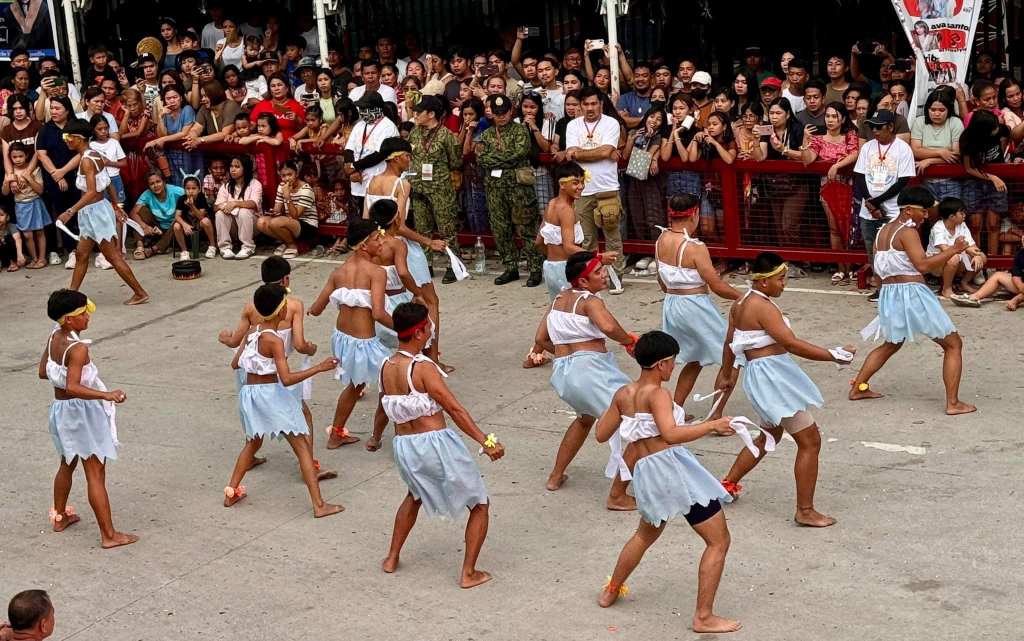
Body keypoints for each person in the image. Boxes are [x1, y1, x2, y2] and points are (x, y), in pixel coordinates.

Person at [594, 331, 739, 633]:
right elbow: (671, 434)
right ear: (661, 364)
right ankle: (703, 616)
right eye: (672, 362)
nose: (674, 368)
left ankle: (611, 590)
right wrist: (712, 424)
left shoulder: (623, 393)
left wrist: (633, 423)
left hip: (646, 472)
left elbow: (601, 433)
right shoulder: (659, 394)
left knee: (644, 535)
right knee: (718, 541)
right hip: (674, 470)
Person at [716, 252, 854, 526]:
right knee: (810, 440)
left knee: (768, 435)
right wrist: (834, 355)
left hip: (764, 376)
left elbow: (730, 340)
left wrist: (726, 371)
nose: (784, 285)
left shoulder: (740, 302)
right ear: (764, 282)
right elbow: (791, 343)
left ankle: (728, 484)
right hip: (773, 379)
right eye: (781, 279)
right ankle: (805, 510)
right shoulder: (762, 307)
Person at [374, 302, 504, 587]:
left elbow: (382, 408)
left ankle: (392, 557)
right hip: (435, 445)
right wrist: (486, 441)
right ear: (419, 332)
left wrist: (375, 437)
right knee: (480, 504)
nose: (432, 329)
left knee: (414, 495)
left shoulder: (386, 365)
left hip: (404, 445)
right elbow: (455, 410)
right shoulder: (423, 368)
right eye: (429, 326)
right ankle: (468, 573)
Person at [850, 187, 975, 415]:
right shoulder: (907, 232)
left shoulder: (882, 231)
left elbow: (881, 271)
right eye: (923, 211)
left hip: (890, 293)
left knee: (891, 343)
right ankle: (953, 404)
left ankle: (859, 387)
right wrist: (954, 250)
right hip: (913, 292)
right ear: (908, 210)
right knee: (953, 344)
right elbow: (923, 266)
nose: (926, 216)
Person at [224, 284, 344, 518]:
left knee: (253, 442)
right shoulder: (274, 340)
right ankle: (319, 505)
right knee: (302, 447)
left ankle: (232, 492)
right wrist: (319, 367)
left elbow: (235, 364)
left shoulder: (251, 333)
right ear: (280, 312)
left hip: (250, 394)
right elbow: (287, 379)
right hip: (271, 395)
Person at [529, 251, 637, 508]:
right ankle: (617, 495)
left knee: (584, 418)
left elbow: (541, 340)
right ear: (583, 281)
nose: (604, 275)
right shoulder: (590, 301)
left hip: (564, 373)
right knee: (638, 420)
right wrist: (630, 341)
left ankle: (555, 477)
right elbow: (609, 327)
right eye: (598, 272)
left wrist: (568, 356)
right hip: (591, 371)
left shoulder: (557, 300)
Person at [217, 257, 335, 478]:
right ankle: (308, 466)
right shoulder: (294, 306)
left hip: (250, 371)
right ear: (286, 279)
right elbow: (299, 344)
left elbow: (235, 341)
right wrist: (312, 350)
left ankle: (249, 458)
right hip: (276, 372)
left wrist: (225, 338)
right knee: (302, 416)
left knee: (254, 414)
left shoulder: (252, 306)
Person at [39, 289, 138, 548]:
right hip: (81, 412)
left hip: (61, 411)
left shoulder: (53, 337)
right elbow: (73, 385)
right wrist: (106, 394)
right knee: (95, 472)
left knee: (67, 462)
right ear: (69, 319)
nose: (88, 318)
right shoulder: (78, 349)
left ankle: (59, 516)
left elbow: (43, 372)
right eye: (83, 314)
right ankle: (109, 535)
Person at [365, 137, 451, 367]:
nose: (409, 160)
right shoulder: (401, 184)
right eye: (407, 156)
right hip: (401, 245)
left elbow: (366, 219)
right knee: (430, 301)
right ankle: (431, 358)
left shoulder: (372, 181)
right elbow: (400, 224)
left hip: (377, 245)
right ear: (396, 158)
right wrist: (428, 242)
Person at [308, 219, 394, 449]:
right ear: (364, 245)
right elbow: (378, 313)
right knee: (390, 382)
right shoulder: (376, 273)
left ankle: (337, 432)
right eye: (377, 238)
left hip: (342, 338)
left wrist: (308, 310)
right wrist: (405, 327)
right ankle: (376, 435)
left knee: (356, 386)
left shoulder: (339, 272)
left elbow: (316, 309)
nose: (382, 241)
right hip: (363, 343)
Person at [656, 194, 741, 408]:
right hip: (694, 306)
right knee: (734, 355)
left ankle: (676, 409)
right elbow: (717, 286)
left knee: (694, 358)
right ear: (694, 214)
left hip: (672, 304)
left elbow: (661, 281)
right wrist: (745, 297)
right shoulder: (695, 247)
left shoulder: (661, 240)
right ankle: (716, 414)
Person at [57, 121, 148, 305]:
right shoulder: (94, 155)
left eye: (67, 137)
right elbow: (108, 182)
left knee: (112, 256)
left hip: (95, 213)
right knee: (82, 254)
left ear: (79, 138)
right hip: (92, 213)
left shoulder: (88, 160)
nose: (66, 141)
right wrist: (115, 205)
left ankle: (140, 292)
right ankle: (72, 295)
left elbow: (92, 192)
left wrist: (70, 211)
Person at [476, 93, 542, 286]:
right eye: (497, 113)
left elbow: (518, 153)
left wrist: (496, 158)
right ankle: (510, 266)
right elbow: (481, 158)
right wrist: (503, 158)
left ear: (510, 111)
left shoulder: (520, 130)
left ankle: (535, 268)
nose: (501, 116)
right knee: (501, 229)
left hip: (518, 189)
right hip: (495, 189)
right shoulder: (486, 135)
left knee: (526, 229)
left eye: (504, 112)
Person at [565, 86, 626, 289]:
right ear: (580, 106)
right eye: (586, 104)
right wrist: (600, 152)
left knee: (612, 236)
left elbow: (607, 150)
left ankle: (616, 277)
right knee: (586, 238)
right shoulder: (573, 125)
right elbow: (571, 153)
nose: (590, 108)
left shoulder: (611, 123)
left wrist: (582, 153)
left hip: (607, 187)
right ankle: (590, 277)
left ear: (601, 104)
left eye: (594, 103)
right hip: (581, 190)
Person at [853, 110, 916, 300]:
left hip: (893, 207)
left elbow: (903, 180)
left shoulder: (903, 148)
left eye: (879, 127)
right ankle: (880, 287)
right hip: (869, 208)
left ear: (890, 127)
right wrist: (870, 202)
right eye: (872, 127)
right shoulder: (868, 147)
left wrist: (876, 202)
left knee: (894, 250)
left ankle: (898, 287)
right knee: (873, 248)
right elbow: (859, 175)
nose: (875, 131)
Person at [802, 102, 860, 284]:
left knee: (849, 228)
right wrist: (805, 141)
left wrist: (837, 165)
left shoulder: (850, 136)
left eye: (834, 116)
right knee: (834, 229)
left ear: (842, 118)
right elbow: (807, 160)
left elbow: (855, 153)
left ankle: (850, 266)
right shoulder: (818, 139)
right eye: (827, 116)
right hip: (827, 188)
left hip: (848, 186)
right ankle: (840, 268)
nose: (830, 120)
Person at [408, 95, 462, 282]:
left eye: (419, 111)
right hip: (419, 188)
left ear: (431, 114)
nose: (415, 114)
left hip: (440, 189)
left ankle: (452, 266)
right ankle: (426, 265)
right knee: (422, 229)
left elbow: (455, 161)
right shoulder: (415, 133)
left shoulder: (447, 135)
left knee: (447, 229)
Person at [959, 110, 1009, 257]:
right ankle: (978, 265)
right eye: (993, 127)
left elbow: (1007, 135)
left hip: (997, 182)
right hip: (975, 182)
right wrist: (991, 177)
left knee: (993, 224)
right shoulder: (967, 140)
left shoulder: (999, 129)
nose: (996, 129)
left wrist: (1002, 162)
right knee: (975, 224)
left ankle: (992, 265)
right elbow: (969, 168)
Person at [344, 92, 399, 216]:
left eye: (365, 108)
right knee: (359, 219)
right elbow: (349, 149)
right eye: (361, 108)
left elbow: (380, 154)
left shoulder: (388, 127)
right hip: (357, 184)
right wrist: (352, 169)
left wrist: (354, 166)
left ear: (376, 108)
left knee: (377, 220)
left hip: (377, 183)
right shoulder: (359, 125)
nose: (362, 111)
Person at [256, 160, 318, 259]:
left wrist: (288, 197)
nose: (287, 178)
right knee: (261, 222)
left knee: (275, 223)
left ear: (296, 174)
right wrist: (272, 213)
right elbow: (277, 209)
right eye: (283, 176)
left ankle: (291, 245)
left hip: (307, 226)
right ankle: (287, 242)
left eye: (290, 174)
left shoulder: (306, 190)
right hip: (291, 222)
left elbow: (296, 215)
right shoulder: (282, 187)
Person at [927, 196, 987, 298]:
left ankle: (964, 283)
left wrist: (976, 255)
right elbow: (946, 250)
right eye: (961, 213)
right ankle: (946, 289)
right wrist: (968, 250)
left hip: (957, 259)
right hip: (936, 264)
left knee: (982, 256)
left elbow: (973, 245)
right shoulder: (938, 227)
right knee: (953, 258)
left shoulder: (962, 225)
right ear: (951, 217)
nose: (964, 215)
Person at [911, 90, 964, 203]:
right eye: (933, 110)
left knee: (952, 216)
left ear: (949, 110)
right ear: (927, 109)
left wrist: (930, 160)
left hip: (951, 181)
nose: (937, 113)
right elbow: (916, 151)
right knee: (928, 217)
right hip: (925, 181)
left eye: (941, 110)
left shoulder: (955, 122)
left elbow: (956, 155)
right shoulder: (919, 122)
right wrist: (941, 152)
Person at [952, 232, 1024, 310]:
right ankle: (974, 298)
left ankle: (1018, 299)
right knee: (998, 275)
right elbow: (1016, 275)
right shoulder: (1020, 254)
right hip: (1022, 286)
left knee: (1017, 297)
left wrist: (1017, 299)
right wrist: (1021, 287)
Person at [3, 142, 47, 269]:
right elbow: (5, 193)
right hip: (21, 205)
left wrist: (28, 178)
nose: (17, 160)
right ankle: (34, 258)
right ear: (10, 158)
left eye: (20, 156)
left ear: (26, 155)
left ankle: (42, 258)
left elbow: (40, 190)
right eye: (14, 157)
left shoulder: (34, 169)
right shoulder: (10, 172)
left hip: (35, 202)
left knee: (39, 231)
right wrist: (8, 181)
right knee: (27, 235)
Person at [127, 172, 184, 259]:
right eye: (152, 184)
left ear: (164, 182)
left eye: (158, 182)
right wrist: (145, 226)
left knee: (177, 220)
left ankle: (155, 249)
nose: (156, 185)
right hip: (158, 228)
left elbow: (192, 197)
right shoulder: (147, 194)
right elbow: (133, 213)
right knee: (141, 211)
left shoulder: (176, 191)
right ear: (149, 186)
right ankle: (140, 246)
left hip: (174, 229)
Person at [214, 156, 262, 259]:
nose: (233, 169)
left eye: (237, 166)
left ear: (245, 168)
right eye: (231, 166)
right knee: (220, 213)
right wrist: (226, 206)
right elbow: (216, 207)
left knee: (244, 211)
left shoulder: (255, 184)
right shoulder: (226, 186)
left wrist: (235, 204)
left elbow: (253, 204)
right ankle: (225, 248)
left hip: (253, 225)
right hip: (234, 226)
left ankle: (248, 247)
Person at [171, 175, 216, 259]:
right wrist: (185, 225)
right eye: (188, 189)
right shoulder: (181, 199)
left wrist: (192, 206)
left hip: (199, 225)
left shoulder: (201, 198)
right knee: (176, 226)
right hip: (187, 226)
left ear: (199, 189)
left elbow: (201, 216)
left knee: (206, 220)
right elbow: (177, 216)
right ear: (184, 190)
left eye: (193, 188)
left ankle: (212, 246)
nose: (191, 191)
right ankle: (184, 251)